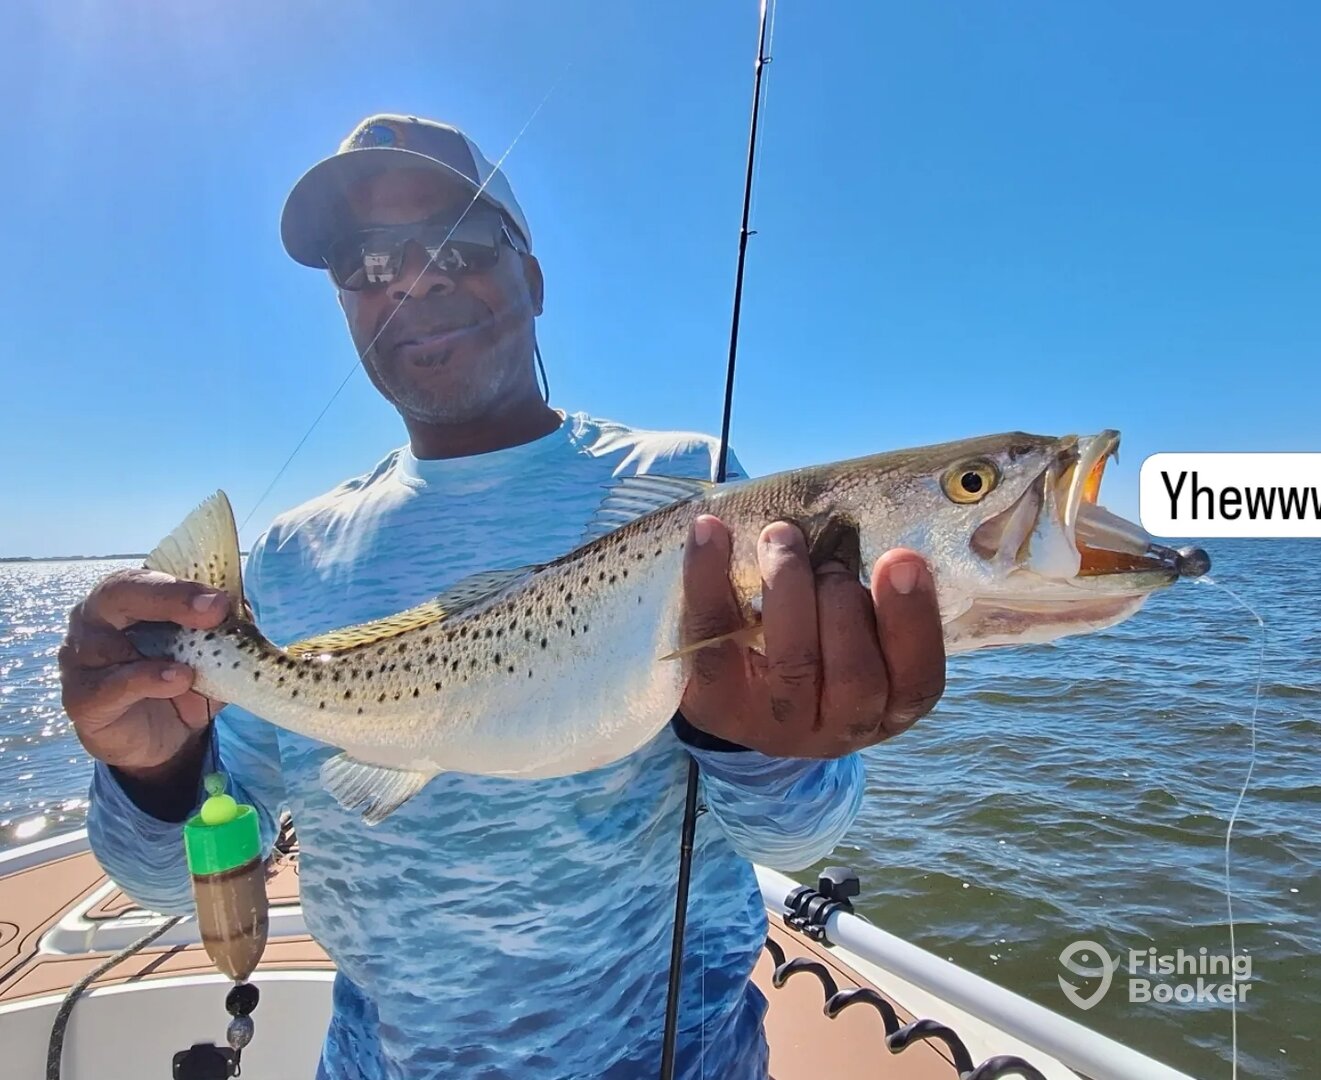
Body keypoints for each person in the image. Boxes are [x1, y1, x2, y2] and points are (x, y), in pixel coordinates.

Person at [60, 114, 947, 1079]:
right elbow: (168, 883)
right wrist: (154, 773)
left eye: (460, 243)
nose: (414, 279)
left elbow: (802, 832)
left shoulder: (692, 491)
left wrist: (749, 739)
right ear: (346, 304)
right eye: (366, 261)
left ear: (533, 277)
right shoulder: (284, 558)